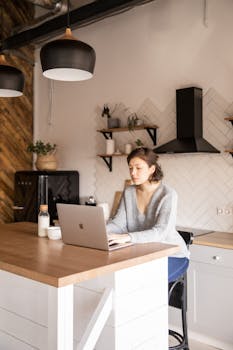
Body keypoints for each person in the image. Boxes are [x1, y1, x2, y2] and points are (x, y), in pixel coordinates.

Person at [107, 147, 189, 282]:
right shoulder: (129, 192)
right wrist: (99, 231)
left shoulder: (168, 194)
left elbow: (161, 232)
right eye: (130, 168)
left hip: (173, 255)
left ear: (152, 169)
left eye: (138, 168)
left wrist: (127, 237)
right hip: (143, 252)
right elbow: (118, 224)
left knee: (142, 281)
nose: (133, 173)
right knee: (118, 276)